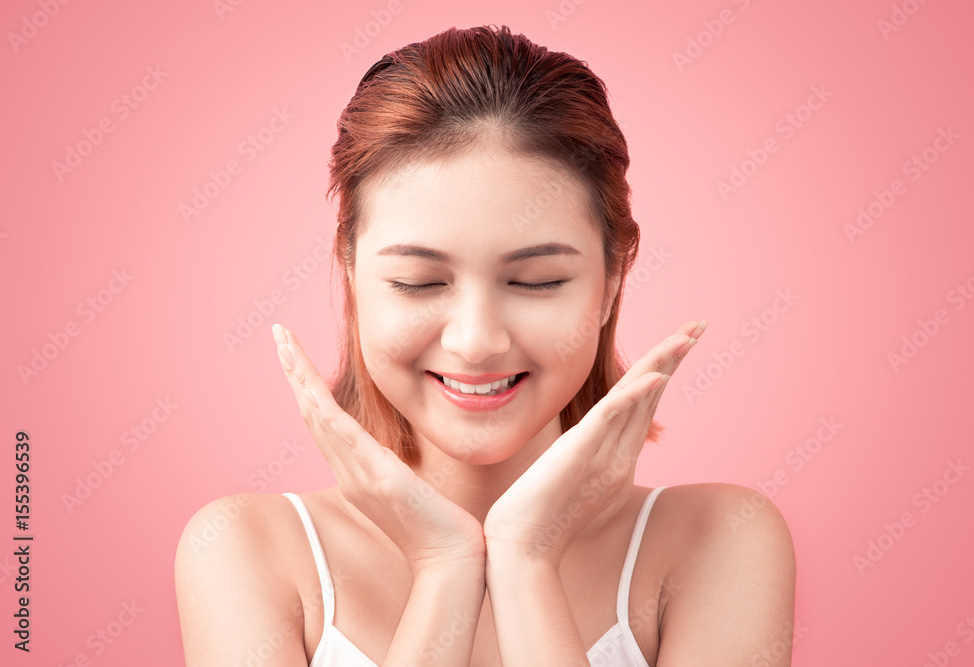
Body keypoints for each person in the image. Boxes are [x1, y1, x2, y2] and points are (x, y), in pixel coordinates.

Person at [175, 23, 795, 666]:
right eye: (419, 282)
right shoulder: (248, 550)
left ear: (612, 280)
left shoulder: (717, 541)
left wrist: (527, 559)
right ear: (352, 275)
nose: (476, 343)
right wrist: (443, 567)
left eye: (537, 281)